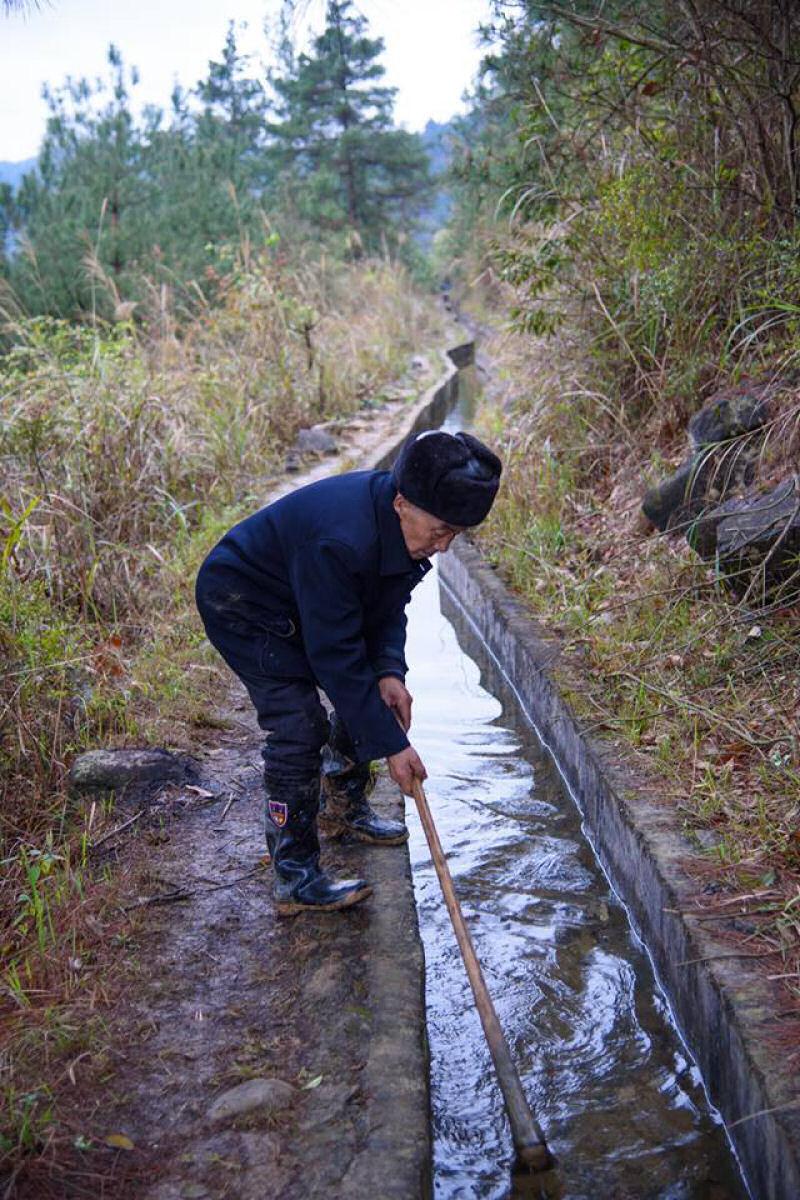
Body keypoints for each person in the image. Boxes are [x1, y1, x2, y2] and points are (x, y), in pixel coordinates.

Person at [195, 429, 501, 915]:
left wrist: (389, 669)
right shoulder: (341, 540)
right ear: (402, 502)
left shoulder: (408, 534)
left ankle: (344, 802)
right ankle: (294, 874)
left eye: (455, 536)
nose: (444, 547)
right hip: (243, 601)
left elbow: (387, 607)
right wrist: (394, 746)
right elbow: (334, 656)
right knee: (298, 723)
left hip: (303, 596)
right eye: (441, 531)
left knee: (374, 694)